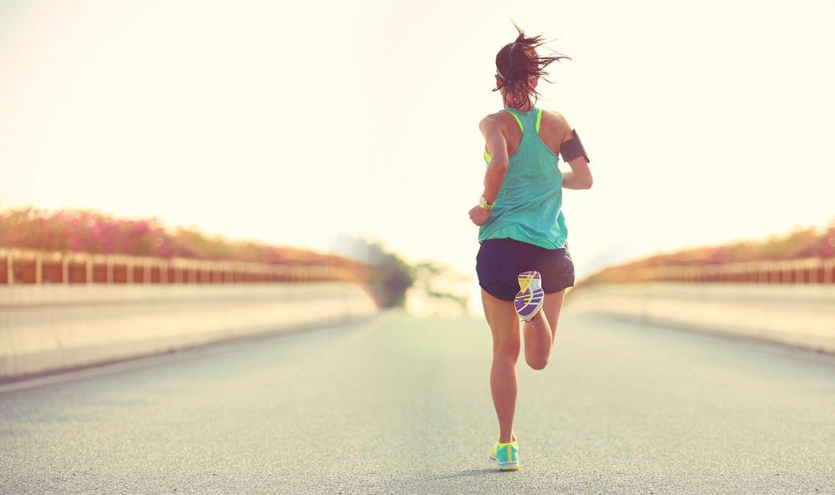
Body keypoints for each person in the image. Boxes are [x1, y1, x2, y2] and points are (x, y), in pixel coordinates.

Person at [468, 25, 593, 471]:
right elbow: (585, 178)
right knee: (539, 358)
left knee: (505, 352)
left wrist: (485, 205)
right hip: (548, 252)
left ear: (498, 81)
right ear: (537, 80)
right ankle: (533, 310)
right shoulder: (558, 124)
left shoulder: (493, 123)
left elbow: (499, 161)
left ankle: (506, 445)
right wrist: (548, 178)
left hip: (502, 246)